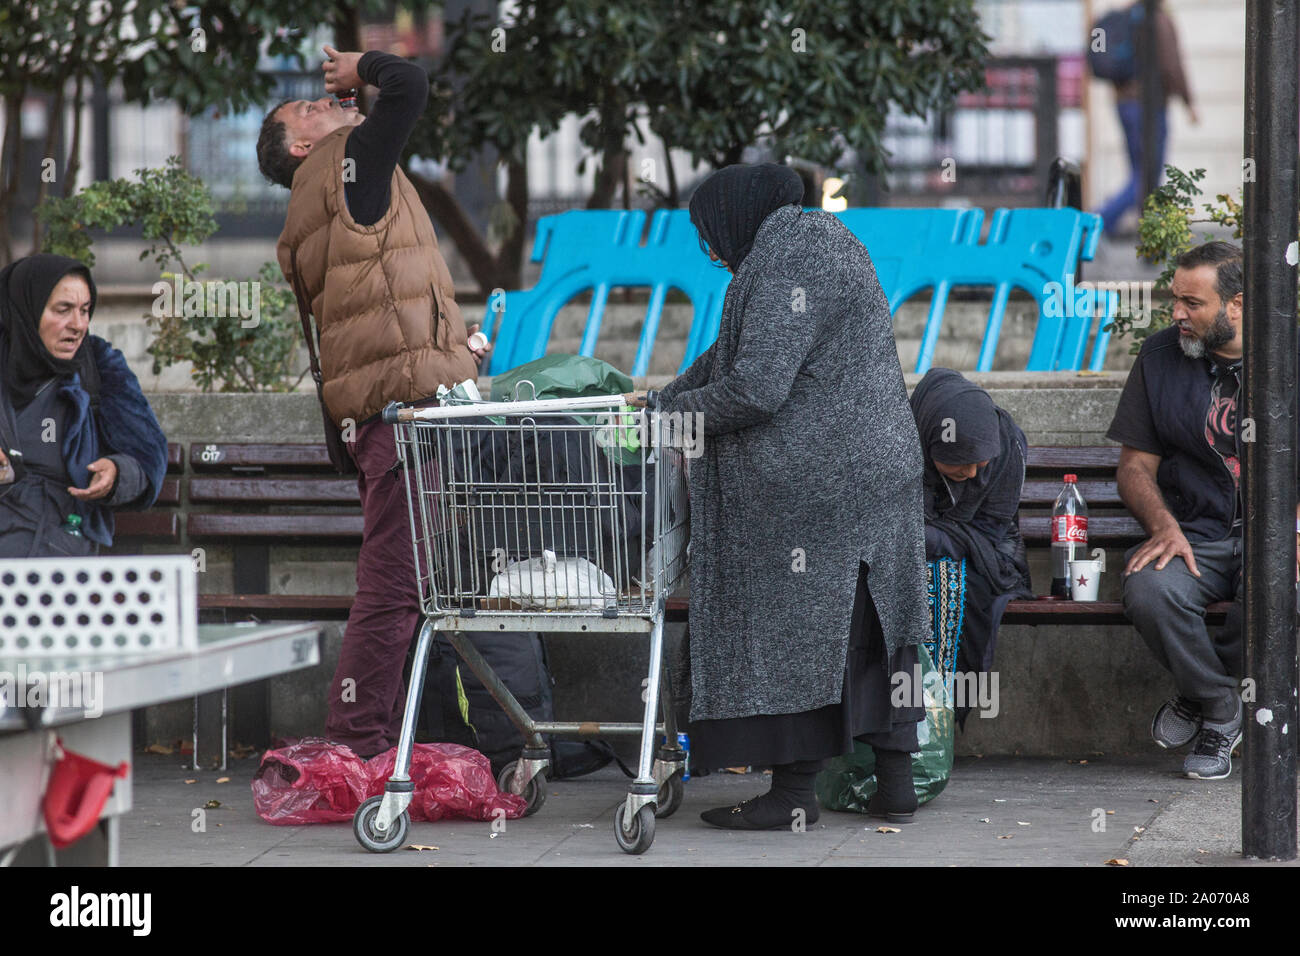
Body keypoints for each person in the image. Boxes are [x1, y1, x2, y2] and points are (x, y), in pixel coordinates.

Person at [639, 163, 930, 829]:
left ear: (734, 216)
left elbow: (755, 390)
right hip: (872, 476)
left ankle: (792, 795)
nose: (710, 251)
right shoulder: (811, 242)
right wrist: (661, 402)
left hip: (821, 483)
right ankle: (895, 784)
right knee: (868, 625)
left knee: (799, 628)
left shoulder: (786, 260)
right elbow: (727, 360)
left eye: (708, 234)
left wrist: (661, 422)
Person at [257, 47, 491, 758]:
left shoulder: (329, 194)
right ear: (303, 146)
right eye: (309, 108)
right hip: (406, 420)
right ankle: (356, 746)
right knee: (393, 586)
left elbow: (382, 304)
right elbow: (410, 84)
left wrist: (454, 352)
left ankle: (391, 739)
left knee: (412, 581)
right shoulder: (345, 167)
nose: (327, 102)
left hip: (399, 411)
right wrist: (361, 65)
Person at [1106, 241, 1288, 779]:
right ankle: (1220, 705)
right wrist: (1163, 527)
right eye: (1174, 302)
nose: (1178, 314)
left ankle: (1200, 698)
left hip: (1275, 534)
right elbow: (1134, 466)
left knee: (1279, 589)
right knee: (1150, 589)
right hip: (1197, 534)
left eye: (1193, 303)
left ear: (1237, 304)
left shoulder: (1287, 353)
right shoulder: (1161, 356)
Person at [0, 254, 168, 557]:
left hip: (58, 542)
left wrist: (117, 473)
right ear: (27, 308)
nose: (78, 325)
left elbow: (147, 455)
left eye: (85, 310)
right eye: (63, 310)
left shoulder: (99, 366)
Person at [909, 368, 1032, 724]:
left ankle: (937, 722)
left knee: (948, 579)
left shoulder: (1006, 443)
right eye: (962, 462)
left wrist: (936, 535)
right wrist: (938, 537)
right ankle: (904, 727)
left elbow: (991, 530)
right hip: (953, 553)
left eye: (981, 461)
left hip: (991, 561)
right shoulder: (899, 445)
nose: (976, 474)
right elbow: (896, 530)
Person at [1094, 0, 1197, 235]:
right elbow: (1172, 65)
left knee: (1139, 171)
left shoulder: (1127, 16)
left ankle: (1148, 229)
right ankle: (1097, 220)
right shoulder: (1158, 19)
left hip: (1124, 102)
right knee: (1147, 173)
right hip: (1149, 105)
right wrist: (1188, 102)